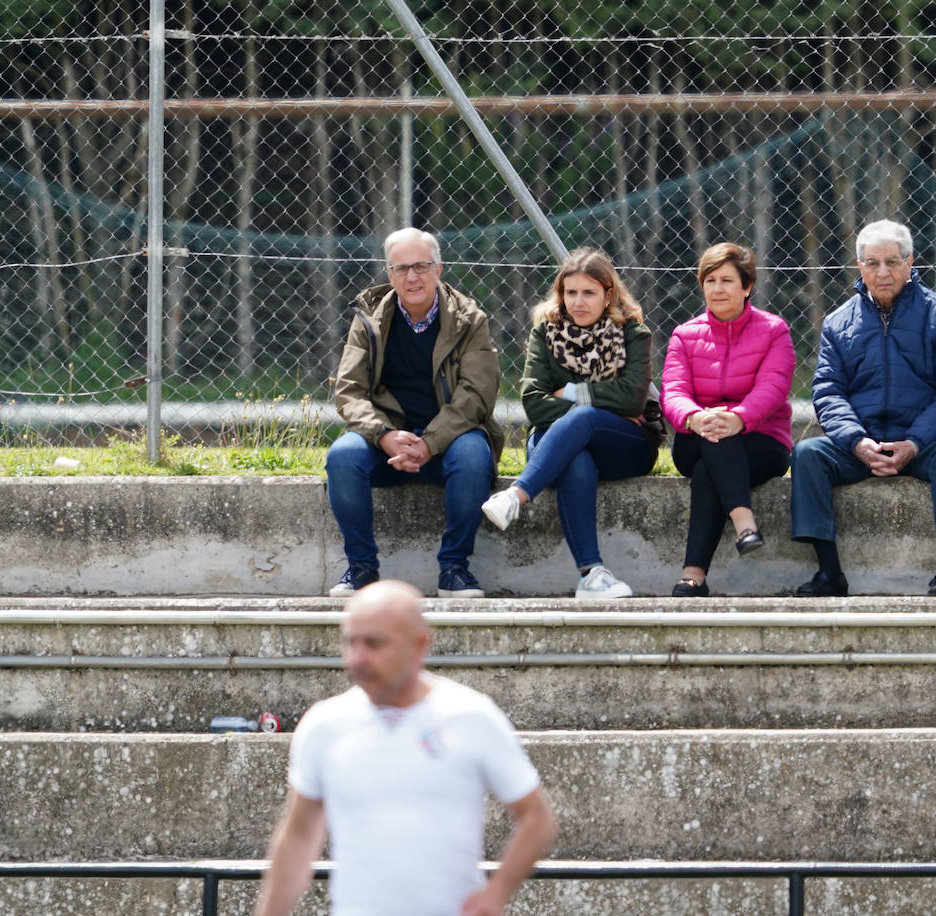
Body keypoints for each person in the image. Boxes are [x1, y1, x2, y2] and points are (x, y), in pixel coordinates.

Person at [254, 580, 558, 916]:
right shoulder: (323, 724)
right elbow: (298, 837)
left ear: (419, 645)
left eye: (374, 643)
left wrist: (497, 892)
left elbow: (537, 818)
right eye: (350, 642)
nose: (358, 658)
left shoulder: (472, 715)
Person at [790, 219, 936, 597]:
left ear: (910, 262)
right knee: (807, 453)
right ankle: (829, 573)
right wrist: (857, 442)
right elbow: (827, 392)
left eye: (892, 261)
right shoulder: (838, 322)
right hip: (860, 447)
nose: (883, 272)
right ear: (859, 266)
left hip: (924, 445)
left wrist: (915, 442)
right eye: (872, 263)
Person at [325, 228, 503, 599]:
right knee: (342, 457)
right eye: (402, 268)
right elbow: (349, 390)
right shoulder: (369, 319)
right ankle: (361, 569)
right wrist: (384, 436)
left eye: (421, 266)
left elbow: (476, 395)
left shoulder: (470, 320)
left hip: (450, 438)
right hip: (387, 441)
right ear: (389, 274)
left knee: (474, 455)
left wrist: (430, 443)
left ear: (439, 268)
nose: (412, 277)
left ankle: (454, 569)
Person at [479, 248, 659, 599]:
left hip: (625, 445)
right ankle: (592, 575)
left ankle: (516, 495)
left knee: (586, 418)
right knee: (576, 455)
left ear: (608, 294)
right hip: (553, 442)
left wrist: (571, 392)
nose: (578, 302)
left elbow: (632, 399)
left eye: (589, 292)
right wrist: (600, 404)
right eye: (570, 292)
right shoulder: (544, 332)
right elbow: (533, 402)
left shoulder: (634, 333)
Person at [660, 242, 795, 597]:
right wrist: (694, 417)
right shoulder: (684, 335)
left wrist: (739, 417)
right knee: (714, 438)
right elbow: (672, 392)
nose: (717, 289)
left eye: (727, 281)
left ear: (747, 286)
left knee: (711, 466)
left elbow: (774, 387)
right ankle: (744, 524)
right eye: (710, 281)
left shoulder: (774, 330)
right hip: (696, 436)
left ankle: (693, 575)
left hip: (761, 442)